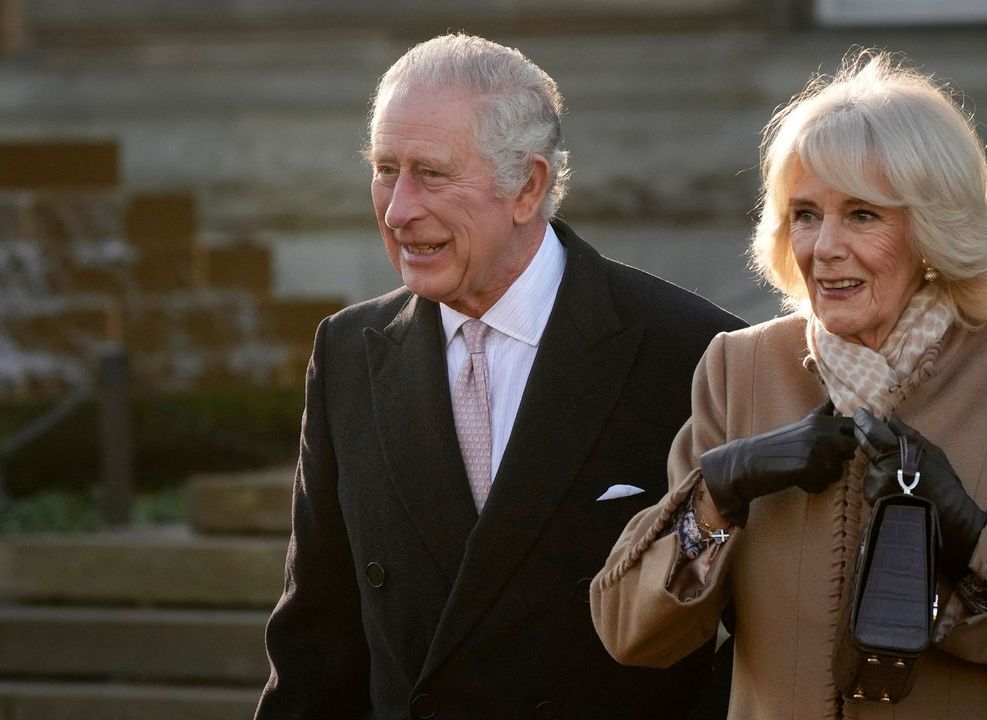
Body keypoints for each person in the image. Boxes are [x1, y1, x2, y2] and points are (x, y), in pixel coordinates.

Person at [591, 50, 987, 719]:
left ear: (931, 231)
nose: (824, 246)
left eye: (862, 214)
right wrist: (719, 493)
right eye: (805, 213)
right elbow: (630, 633)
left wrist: (975, 536)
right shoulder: (738, 369)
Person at [254, 33, 744, 720]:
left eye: (429, 173)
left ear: (529, 186)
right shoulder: (347, 353)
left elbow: (755, 648)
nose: (397, 211)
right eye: (384, 169)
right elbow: (316, 641)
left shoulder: (696, 352)